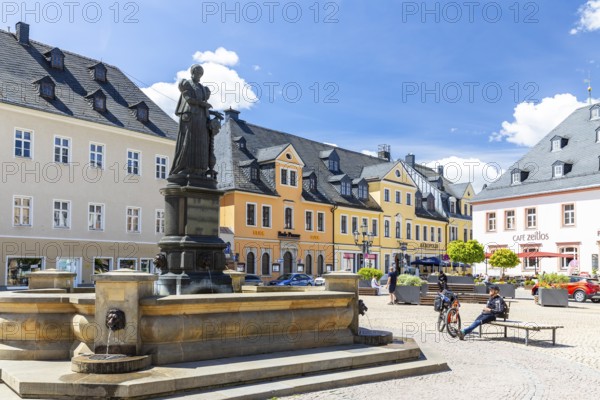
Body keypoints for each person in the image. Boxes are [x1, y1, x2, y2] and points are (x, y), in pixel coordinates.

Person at [170, 64, 223, 178]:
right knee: (188, 142)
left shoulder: (203, 88)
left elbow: (203, 106)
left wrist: (214, 113)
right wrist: (203, 104)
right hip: (190, 118)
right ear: (192, 72)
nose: (198, 74)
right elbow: (188, 99)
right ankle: (185, 168)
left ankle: (199, 170)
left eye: (200, 73)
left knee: (202, 144)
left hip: (201, 119)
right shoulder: (186, 84)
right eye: (197, 72)